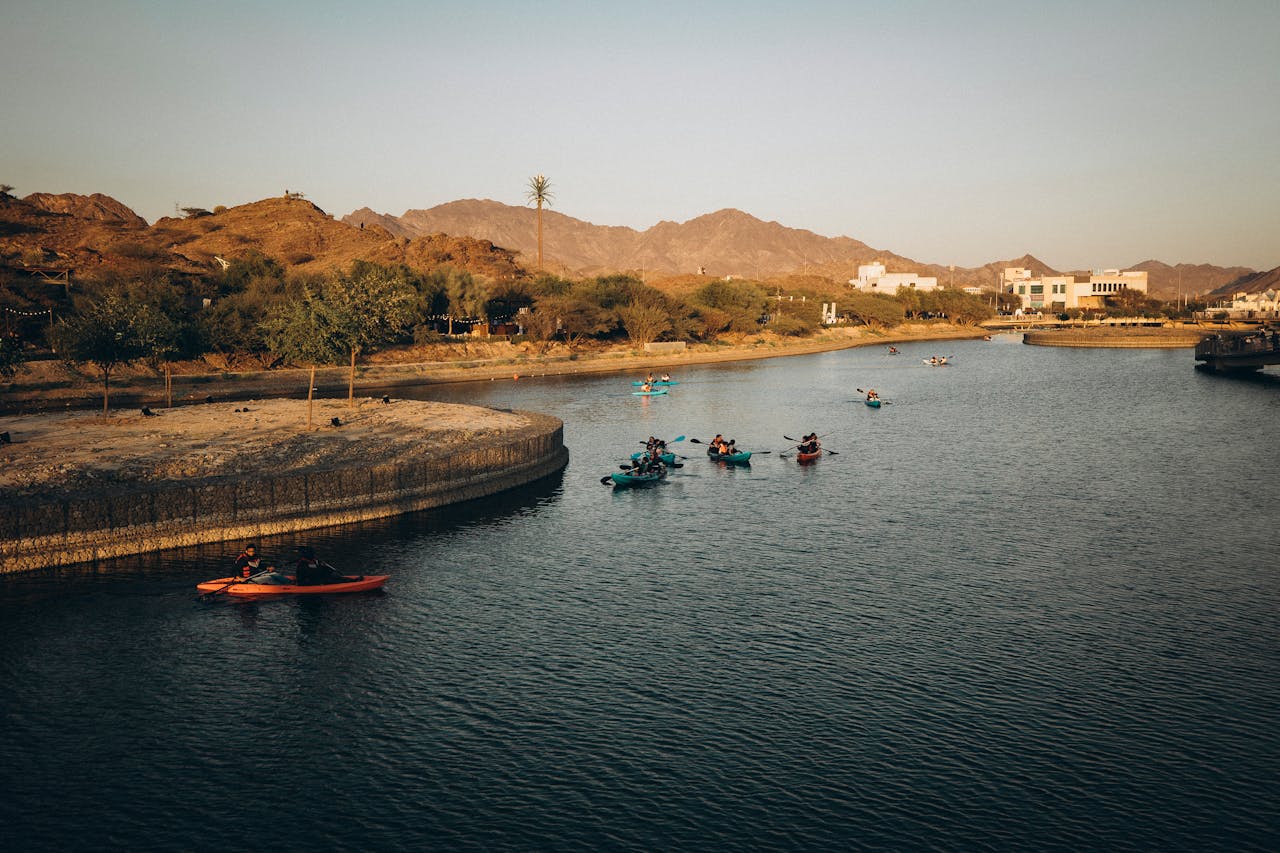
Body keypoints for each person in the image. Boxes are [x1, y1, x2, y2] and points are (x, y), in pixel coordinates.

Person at [294, 546, 361, 586]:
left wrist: (326, 568)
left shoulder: (315, 561)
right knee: (332, 580)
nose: (313, 555)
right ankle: (352, 582)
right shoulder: (302, 564)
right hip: (306, 582)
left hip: (315, 578)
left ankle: (352, 580)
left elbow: (320, 571)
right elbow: (313, 573)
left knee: (335, 577)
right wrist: (320, 566)